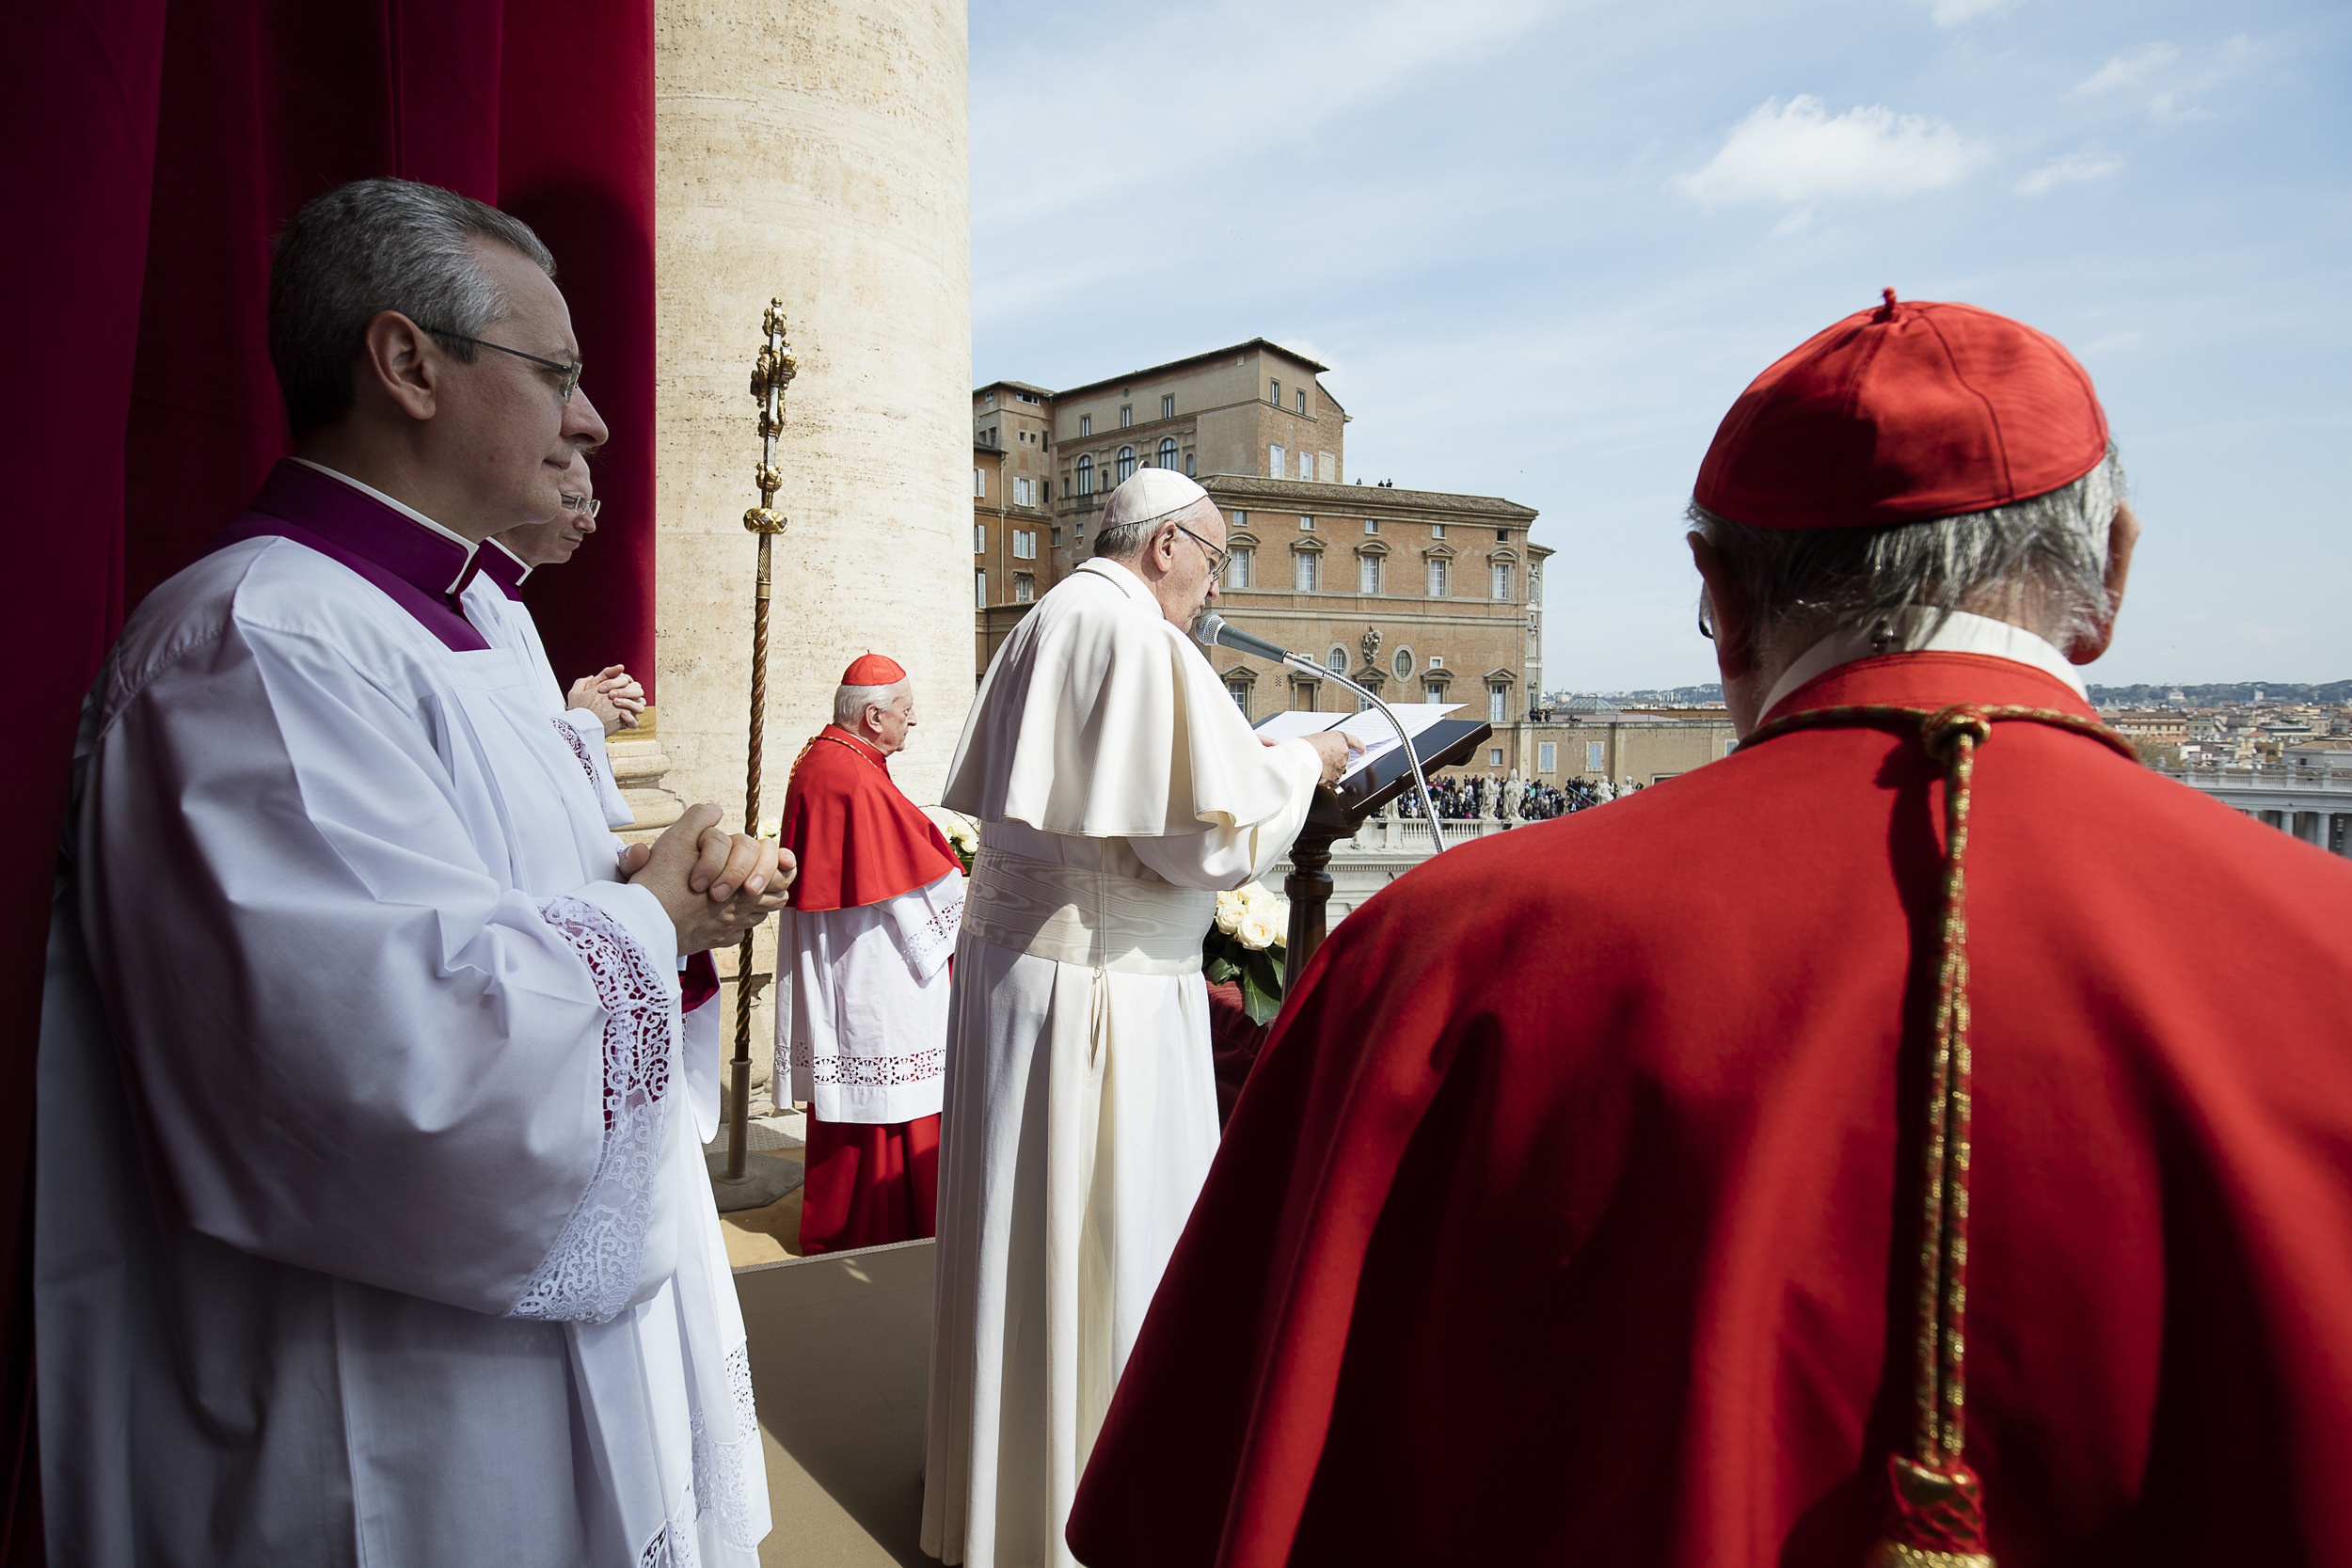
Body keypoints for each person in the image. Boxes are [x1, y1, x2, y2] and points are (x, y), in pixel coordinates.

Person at [1066, 294, 2352, 1566]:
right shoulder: (2329, 956)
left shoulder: (1439, 958)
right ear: (2112, 570)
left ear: (1722, 593)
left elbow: (1197, 1494)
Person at [36, 177, 790, 1566]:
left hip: (518, 1346)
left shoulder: (481, 618)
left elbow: (487, 901)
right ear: (407, 363)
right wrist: (648, 917)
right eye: (555, 372)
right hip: (385, 1402)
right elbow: (392, 1063)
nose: (591, 419)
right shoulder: (260, 641)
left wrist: (650, 893)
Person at [921, 468, 1358, 1568]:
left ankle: (1006, 1495)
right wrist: (1302, 759)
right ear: (1167, 545)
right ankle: (1087, 1506)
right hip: (1100, 995)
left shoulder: (1049, 617)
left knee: (1024, 1237)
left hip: (1023, 976)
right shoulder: (1137, 635)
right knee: (1104, 1235)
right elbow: (1208, 842)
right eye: (1212, 560)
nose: (1213, 588)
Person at [772, 653, 965, 1253]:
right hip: (871, 960)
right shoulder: (852, 774)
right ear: (874, 716)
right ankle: (896, 1221)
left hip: (853, 949)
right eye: (906, 710)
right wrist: (963, 900)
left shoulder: (828, 756)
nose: (915, 720)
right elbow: (911, 883)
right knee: (888, 1071)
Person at [469, 455, 644, 828]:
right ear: (514, 492)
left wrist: (588, 702)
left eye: (591, 505)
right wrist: (587, 719)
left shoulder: (503, 592)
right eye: (573, 502)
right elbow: (495, 763)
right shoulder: (470, 594)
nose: (588, 522)